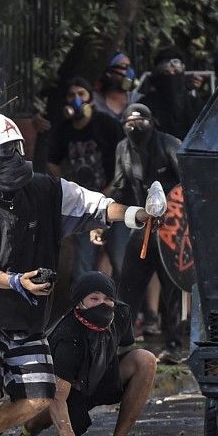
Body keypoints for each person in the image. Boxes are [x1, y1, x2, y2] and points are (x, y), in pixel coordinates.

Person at [0, 113, 164, 436]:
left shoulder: (47, 190)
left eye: (15, 149)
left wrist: (135, 215)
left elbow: (95, 205)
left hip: (27, 318)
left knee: (39, 398)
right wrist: (15, 281)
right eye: (2, 153)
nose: (12, 158)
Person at [4, 272, 157, 436]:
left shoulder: (120, 313)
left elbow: (123, 346)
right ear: (79, 303)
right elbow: (56, 397)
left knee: (145, 360)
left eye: (108, 299)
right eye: (94, 298)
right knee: (43, 406)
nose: (102, 304)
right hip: (69, 388)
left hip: (101, 376)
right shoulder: (68, 336)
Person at [108, 103, 186, 363]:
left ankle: (174, 345)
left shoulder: (169, 144)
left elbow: (190, 182)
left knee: (171, 289)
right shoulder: (122, 148)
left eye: (140, 120)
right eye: (128, 121)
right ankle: (121, 345)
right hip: (143, 226)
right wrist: (102, 216)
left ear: (152, 122)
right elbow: (119, 187)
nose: (134, 126)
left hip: (172, 229)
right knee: (127, 286)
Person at [46, 77, 125, 276]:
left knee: (121, 258)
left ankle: (127, 305)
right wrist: (69, 189)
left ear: (90, 98)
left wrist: (111, 189)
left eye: (81, 94)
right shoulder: (63, 130)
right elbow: (52, 163)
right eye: (71, 95)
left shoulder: (106, 124)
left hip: (115, 200)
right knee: (83, 262)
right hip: (85, 206)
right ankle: (85, 304)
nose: (76, 99)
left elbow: (125, 157)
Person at [139, 47, 205, 141]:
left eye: (176, 72)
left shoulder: (195, 105)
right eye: (166, 73)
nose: (172, 77)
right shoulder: (146, 106)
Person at [93, 52, 137, 122]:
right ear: (108, 72)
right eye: (123, 65)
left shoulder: (137, 100)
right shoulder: (93, 102)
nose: (129, 72)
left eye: (129, 66)